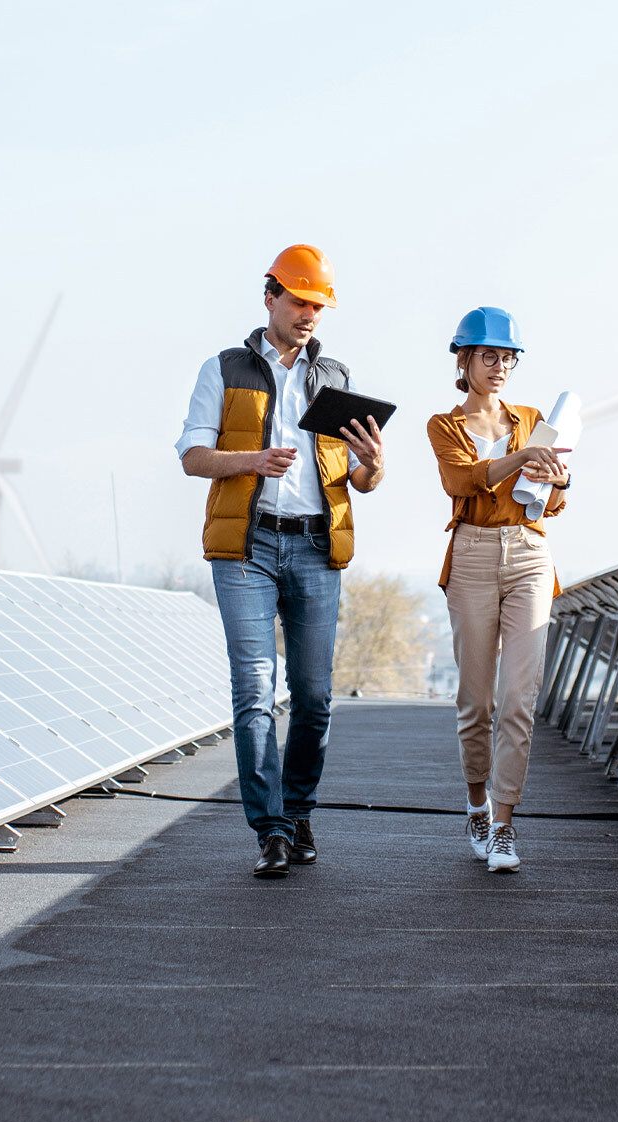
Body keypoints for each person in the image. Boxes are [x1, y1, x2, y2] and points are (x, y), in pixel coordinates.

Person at [176, 244, 385, 878]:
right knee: (255, 692)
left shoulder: (336, 377)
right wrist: (251, 462)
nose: (309, 314)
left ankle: (298, 814)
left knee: (316, 697)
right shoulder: (225, 369)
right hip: (247, 545)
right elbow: (191, 455)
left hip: (318, 545)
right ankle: (268, 829)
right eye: (299, 301)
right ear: (270, 297)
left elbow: (359, 477)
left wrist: (374, 465)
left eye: (318, 305)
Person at [425, 307, 569, 873]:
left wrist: (557, 481)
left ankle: (505, 825)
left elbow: (551, 504)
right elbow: (460, 481)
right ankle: (477, 803)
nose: (500, 366)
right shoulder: (444, 425)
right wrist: (520, 458)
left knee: (519, 699)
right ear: (465, 360)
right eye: (490, 356)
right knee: (476, 701)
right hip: (473, 555)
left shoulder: (532, 419)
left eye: (508, 357)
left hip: (530, 553)